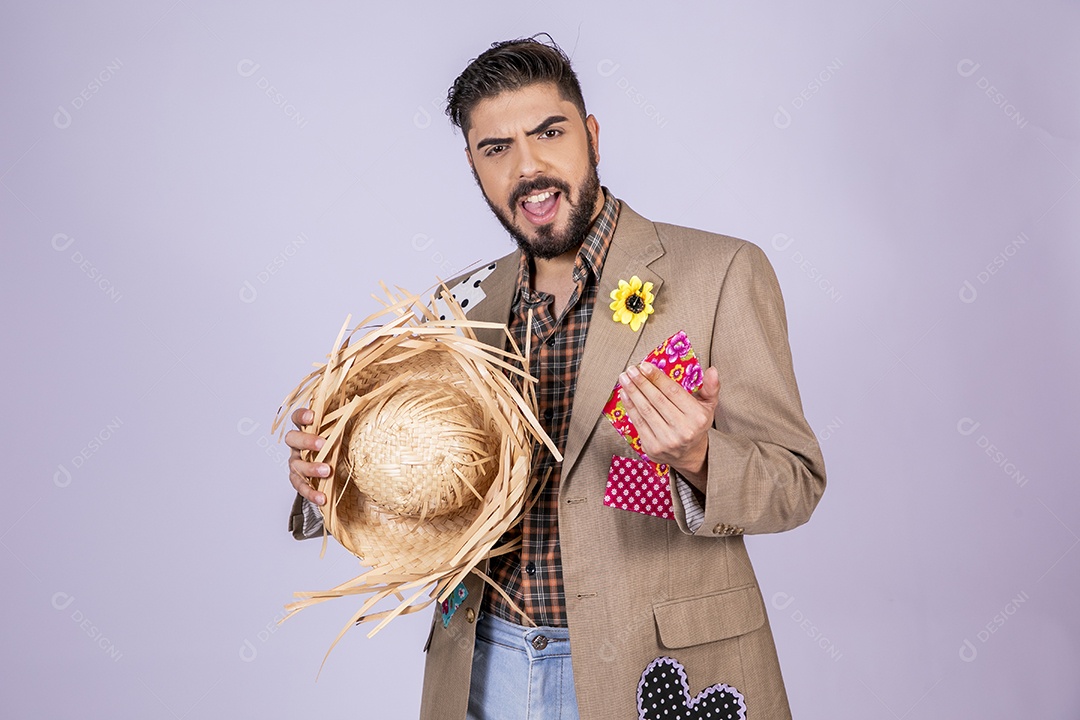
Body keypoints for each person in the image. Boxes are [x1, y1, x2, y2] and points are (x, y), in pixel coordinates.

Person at [285, 36, 826, 720]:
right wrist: (330, 477)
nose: (528, 166)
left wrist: (699, 459)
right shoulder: (459, 306)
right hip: (481, 667)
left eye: (549, 133)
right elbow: (417, 489)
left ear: (591, 136)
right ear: (473, 165)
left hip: (648, 666)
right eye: (496, 148)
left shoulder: (719, 273)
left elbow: (795, 484)